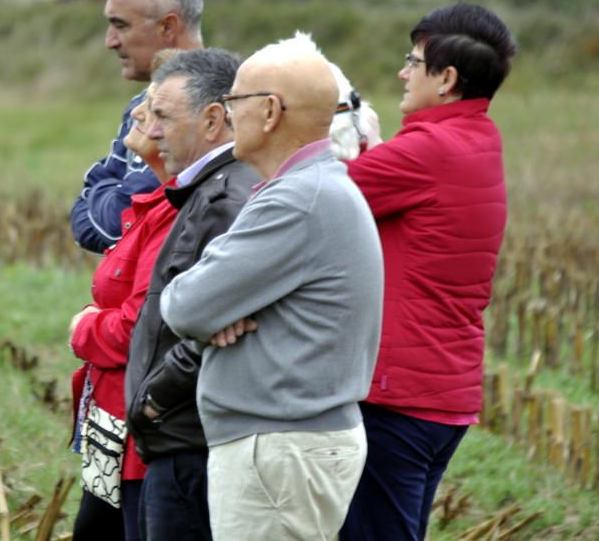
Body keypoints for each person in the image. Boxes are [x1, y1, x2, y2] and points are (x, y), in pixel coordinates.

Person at [160, 32, 384, 541]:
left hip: (280, 451)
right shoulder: (311, 189)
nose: (226, 113)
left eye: (233, 100)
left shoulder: (296, 202)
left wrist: (211, 311)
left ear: (269, 111)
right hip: (285, 446)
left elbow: (185, 305)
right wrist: (217, 308)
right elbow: (205, 303)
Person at [339, 2, 517, 541]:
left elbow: (313, 197)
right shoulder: (477, 139)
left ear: (447, 79)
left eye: (412, 61)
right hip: (442, 396)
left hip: (397, 396)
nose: (402, 73)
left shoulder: (427, 150)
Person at [124, 48, 259, 541]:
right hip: (180, 438)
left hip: (189, 442)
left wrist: (153, 400)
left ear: (213, 120)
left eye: (163, 115)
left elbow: (214, 327)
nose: (150, 129)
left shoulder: (226, 199)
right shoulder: (207, 188)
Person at [68, 52, 182, 541]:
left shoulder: (173, 211)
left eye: (156, 110)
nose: (136, 115)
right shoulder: (152, 199)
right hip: (113, 415)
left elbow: (138, 329)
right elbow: (89, 210)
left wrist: (84, 327)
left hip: (141, 417)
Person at [71, 0, 205, 253]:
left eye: (121, 26)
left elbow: (114, 227)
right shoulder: (140, 104)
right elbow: (86, 217)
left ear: (168, 28)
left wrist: (102, 196)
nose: (110, 41)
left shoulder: (201, 112)